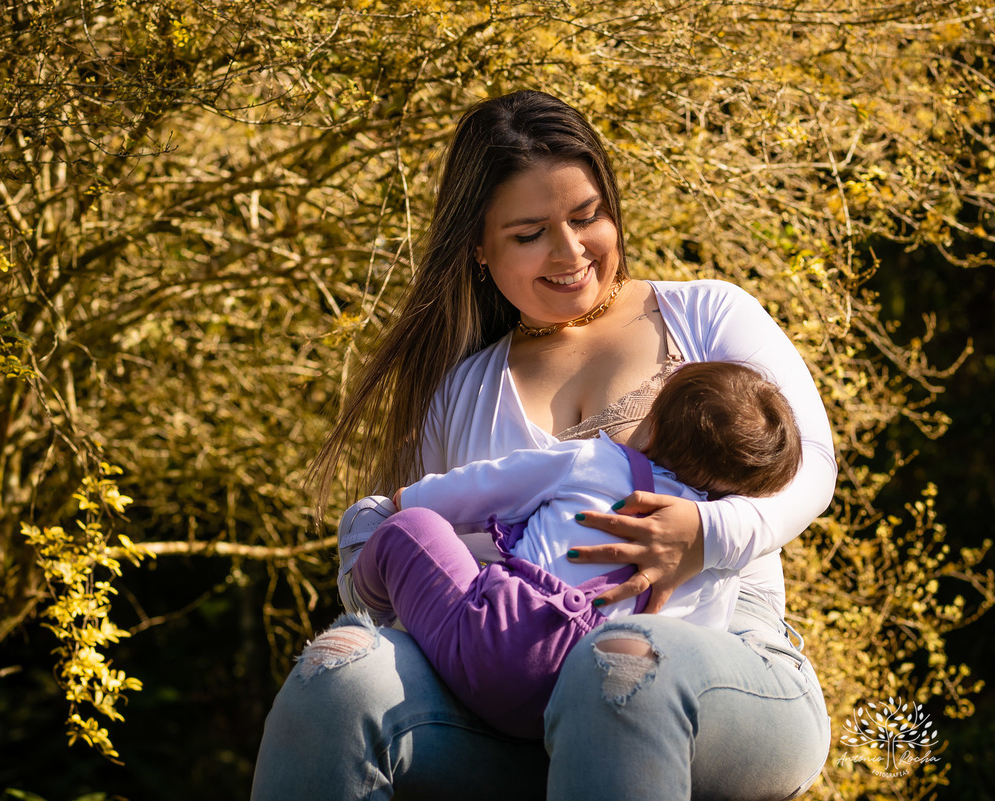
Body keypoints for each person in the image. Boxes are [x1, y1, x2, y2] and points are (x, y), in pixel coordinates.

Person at [252, 89, 836, 800]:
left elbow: (810, 464)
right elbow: (425, 574)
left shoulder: (703, 314)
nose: (570, 252)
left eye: (587, 216)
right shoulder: (461, 392)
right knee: (338, 672)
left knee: (614, 662)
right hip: (513, 694)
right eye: (530, 233)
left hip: (725, 658)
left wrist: (704, 532)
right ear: (477, 245)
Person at [341, 361, 802, 739]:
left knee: (410, 528)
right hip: (580, 701)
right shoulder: (715, 562)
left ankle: (366, 589)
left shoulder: (594, 461)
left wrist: (413, 499)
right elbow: (697, 644)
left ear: (653, 422)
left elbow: (487, 486)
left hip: (500, 642)